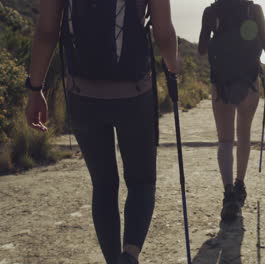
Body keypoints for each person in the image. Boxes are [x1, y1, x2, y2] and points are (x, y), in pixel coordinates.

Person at [25, 0, 178, 263]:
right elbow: (163, 34)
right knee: (142, 182)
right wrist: (174, 71)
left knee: (104, 184)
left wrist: (35, 89)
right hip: (135, 93)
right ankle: (129, 256)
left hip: (82, 93)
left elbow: (46, 32)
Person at [198, 0, 265, 221]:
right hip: (249, 84)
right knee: (244, 135)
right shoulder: (255, 10)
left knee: (225, 140)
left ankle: (228, 193)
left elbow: (202, 49)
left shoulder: (211, 12)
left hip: (221, 84)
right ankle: (241, 185)